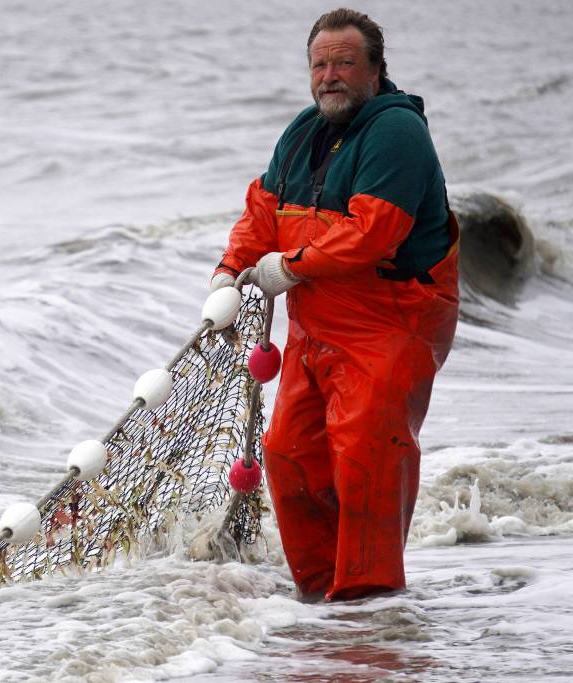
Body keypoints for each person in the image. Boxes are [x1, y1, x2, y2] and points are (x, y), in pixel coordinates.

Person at [211, 8, 459, 601]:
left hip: (391, 323)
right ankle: (322, 606)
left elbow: (375, 232)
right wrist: (227, 271)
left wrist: (287, 267)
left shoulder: (398, 132)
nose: (330, 75)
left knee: (366, 463)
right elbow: (263, 211)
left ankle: (370, 613)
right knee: (288, 455)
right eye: (320, 64)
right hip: (314, 326)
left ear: (376, 70)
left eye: (345, 62)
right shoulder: (302, 130)